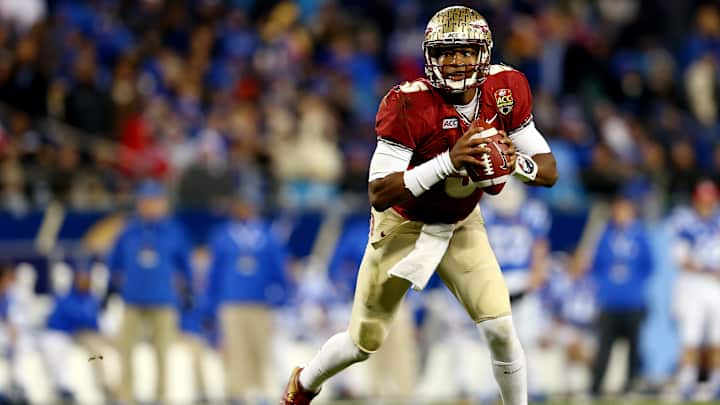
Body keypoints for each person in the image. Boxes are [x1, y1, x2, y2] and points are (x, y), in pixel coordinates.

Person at [280, 6, 558, 405]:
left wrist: (515, 163)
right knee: (363, 342)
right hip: (402, 224)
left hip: (461, 223)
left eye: (466, 51)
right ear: (430, 57)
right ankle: (304, 384)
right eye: (447, 52)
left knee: (500, 327)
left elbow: (548, 169)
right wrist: (449, 161)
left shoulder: (506, 88)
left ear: (484, 53)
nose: (456, 62)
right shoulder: (409, 103)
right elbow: (379, 191)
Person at [107, 180, 193, 404]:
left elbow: (185, 266)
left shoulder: (174, 232)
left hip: (163, 301)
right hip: (133, 300)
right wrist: (114, 287)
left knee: (162, 352)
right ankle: (126, 396)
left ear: (164, 204)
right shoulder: (128, 231)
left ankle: (161, 396)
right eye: (146, 201)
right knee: (125, 349)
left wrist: (188, 292)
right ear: (139, 203)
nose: (150, 206)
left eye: (155, 201)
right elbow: (114, 263)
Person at [204, 191, 291, 403]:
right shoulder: (223, 236)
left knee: (261, 348)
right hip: (231, 302)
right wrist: (210, 303)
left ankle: (262, 391)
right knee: (235, 349)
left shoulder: (267, 236)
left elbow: (279, 268)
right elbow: (214, 273)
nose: (243, 210)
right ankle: (237, 392)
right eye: (240, 205)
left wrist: (282, 296)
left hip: (260, 302)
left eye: (247, 205)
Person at [481, 179, 552, 399]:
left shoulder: (532, 212)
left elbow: (540, 245)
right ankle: (492, 387)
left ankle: (532, 386)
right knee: (495, 339)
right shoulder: (484, 213)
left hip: (523, 282)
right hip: (497, 282)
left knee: (526, 339)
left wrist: (537, 274)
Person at [587, 191, 653, 396]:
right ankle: (596, 386)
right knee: (604, 345)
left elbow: (649, 265)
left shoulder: (640, 236)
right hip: (609, 300)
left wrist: (634, 285)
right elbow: (596, 265)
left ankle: (631, 384)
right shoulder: (606, 235)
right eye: (617, 210)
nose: (620, 214)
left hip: (633, 300)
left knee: (634, 345)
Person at [670, 179, 720, 400]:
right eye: (703, 201)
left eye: (710, 201)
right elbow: (680, 257)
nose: (706, 205)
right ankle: (686, 383)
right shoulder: (685, 223)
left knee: (717, 339)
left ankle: (716, 384)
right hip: (694, 285)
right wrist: (708, 269)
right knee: (690, 338)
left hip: (716, 287)